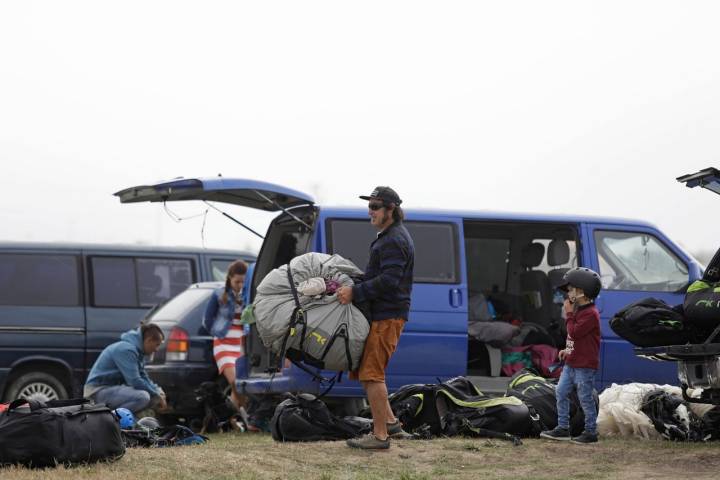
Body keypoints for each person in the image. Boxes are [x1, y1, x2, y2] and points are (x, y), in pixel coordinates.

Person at [337, 186, 415, 450]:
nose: (369, 212)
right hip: (384, 314)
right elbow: (378, 275)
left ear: (390, 209)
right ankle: (391, 424)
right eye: (369, 206)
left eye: (375, 207)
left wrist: (355, 292)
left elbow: (390, 281)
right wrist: (351, 280)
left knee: (372, 374)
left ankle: (380, 437)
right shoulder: (389, 236)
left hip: (388, 315)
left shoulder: (394, 239)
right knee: (370, 372)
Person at [540, 267, 602, 444]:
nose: (567, 294)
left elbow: (574, 331)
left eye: (570, 290)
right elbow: (573, 338)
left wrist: (568, 313)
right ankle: (563, 427)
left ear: (582, 291)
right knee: (560, 392)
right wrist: (567, 350)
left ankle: (590, 432)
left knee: (585, 397)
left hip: (585, 365)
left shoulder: (591, 314)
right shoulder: (579, 311)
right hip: (572, 362)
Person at [84, 323, 168, 414]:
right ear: (148, 340)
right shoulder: (126, 350)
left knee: (149, 397)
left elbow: (143, 377)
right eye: (157, 345)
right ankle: (111, 420)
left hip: (109, 390)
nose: (156, 350)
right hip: (97, 392)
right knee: (143, 397)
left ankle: (128, 421)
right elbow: (134, 381)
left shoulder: (137, 352)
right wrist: (156, 396)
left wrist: (158, 391)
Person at [203, 259, 249, 410]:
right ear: (230, 278)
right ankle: (247, 415)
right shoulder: (218, 293)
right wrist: (216, 333)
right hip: (223, 342)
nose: (240, 285)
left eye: (243, 281)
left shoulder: (248, 294)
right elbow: (207, 319)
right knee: (235, 381)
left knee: (242, 382)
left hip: (241, 343)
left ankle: (234, 417)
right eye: (237, 282)